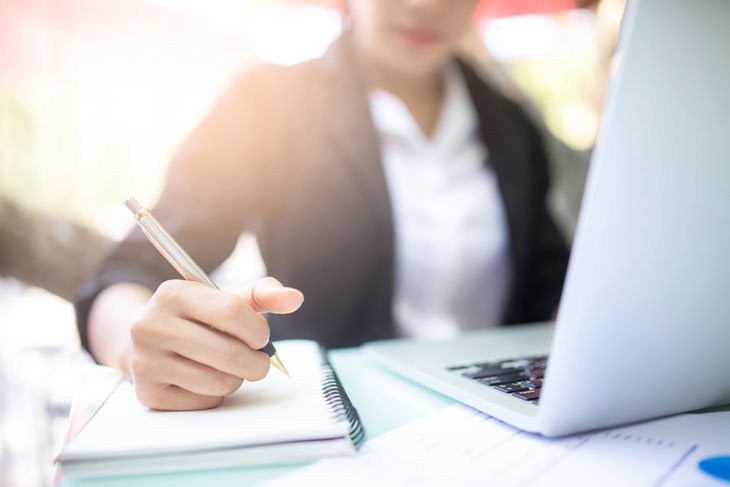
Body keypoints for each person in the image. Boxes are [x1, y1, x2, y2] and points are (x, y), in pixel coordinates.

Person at [75, 0, 569, 411]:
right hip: (332, 421)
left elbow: (555, 286)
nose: (426, 6)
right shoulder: (268, 102)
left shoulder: (511, 124)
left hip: (502, 419)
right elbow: (126, 273)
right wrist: (134, 345)